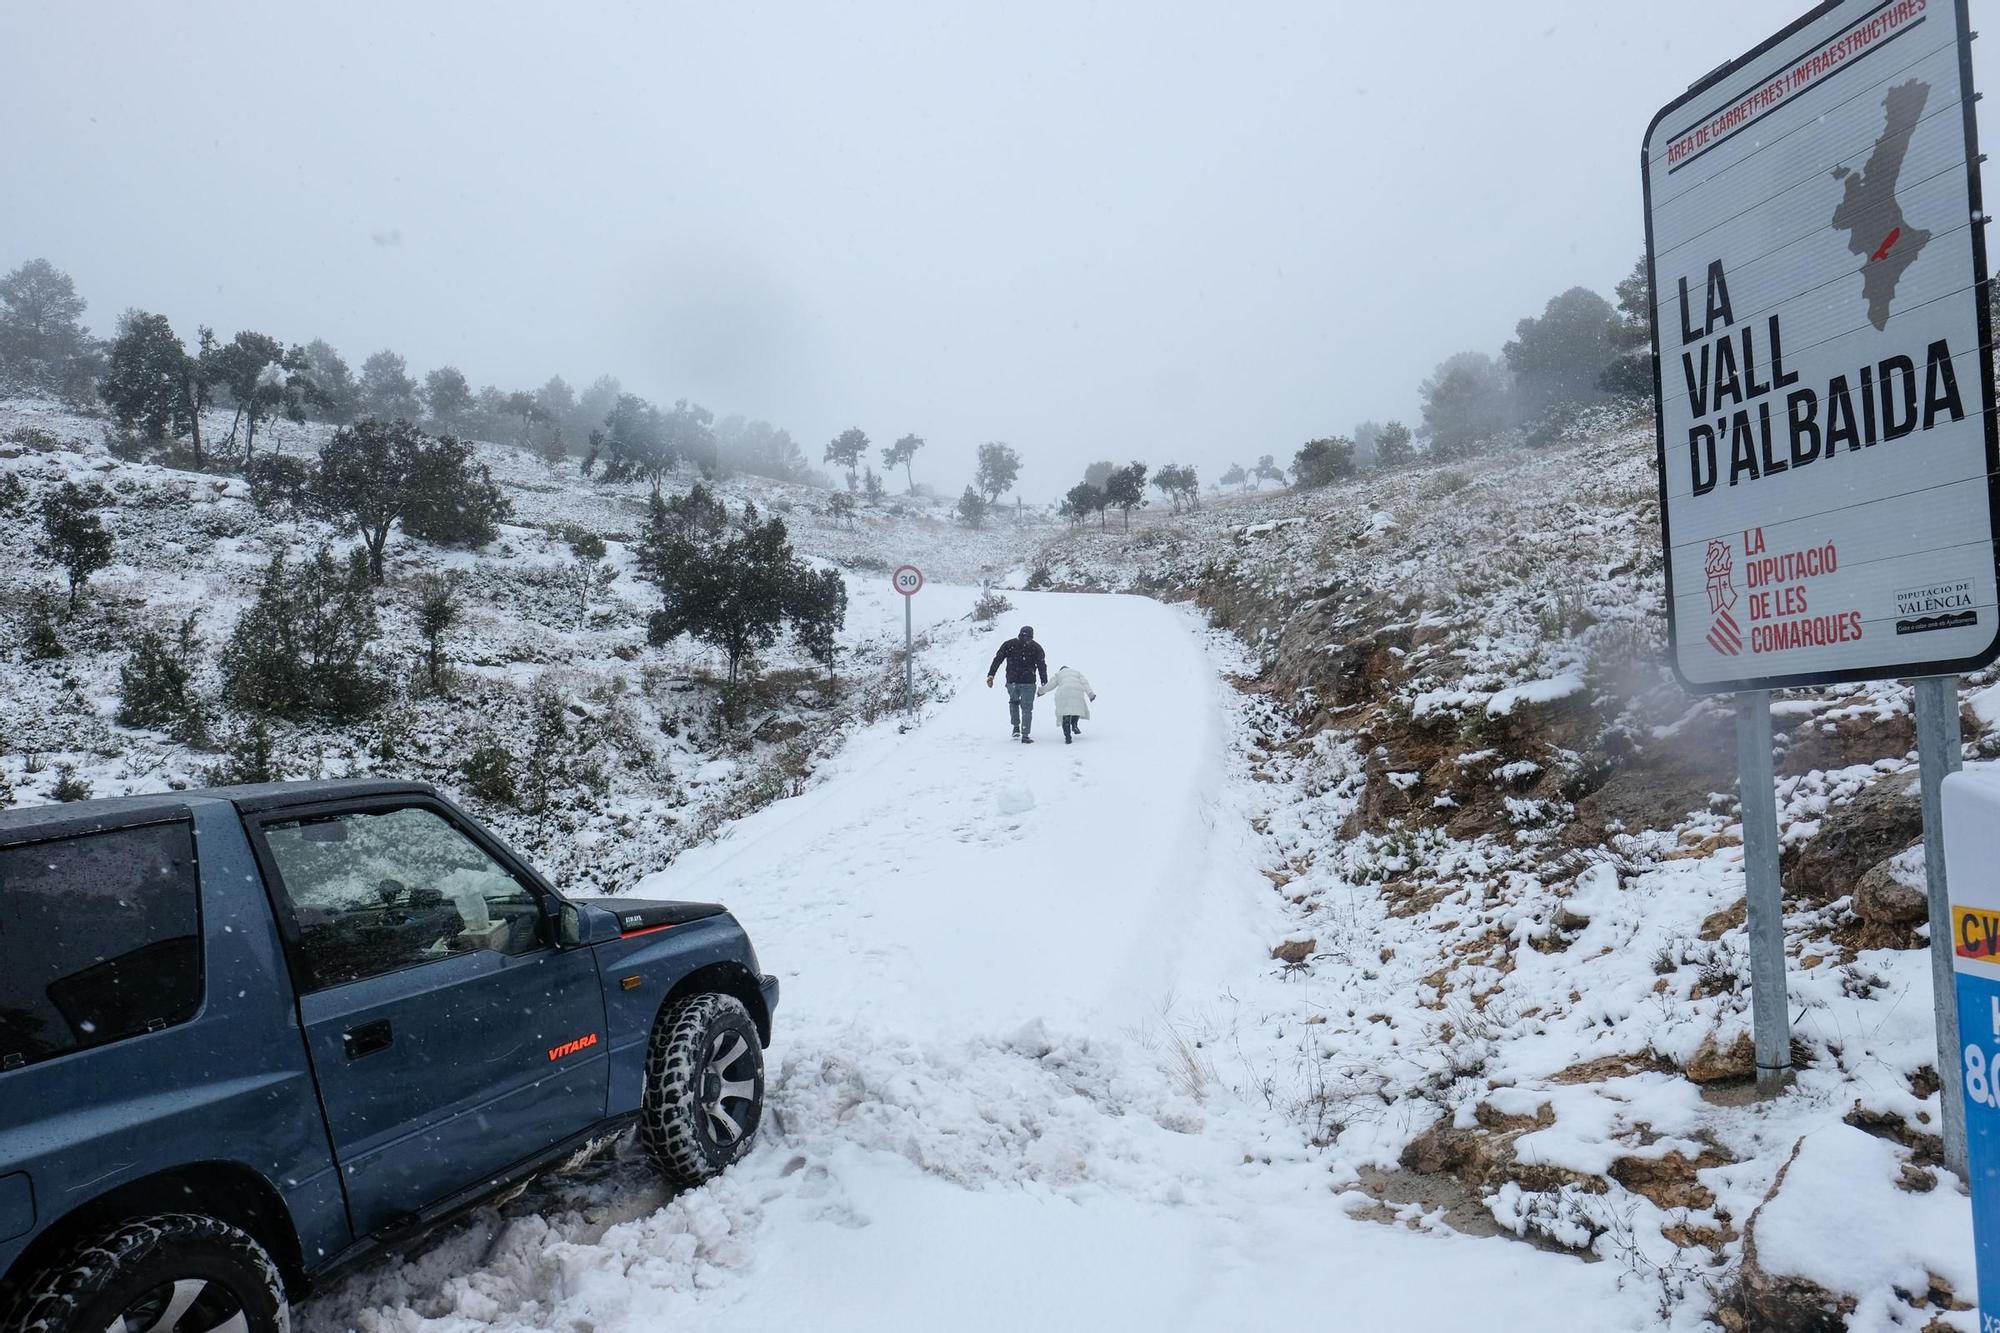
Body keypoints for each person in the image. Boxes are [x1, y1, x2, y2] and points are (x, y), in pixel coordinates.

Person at [985, 624, 1047, 743]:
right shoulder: (1036, 647)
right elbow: (1041, 666)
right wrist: (1044, 682)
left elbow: (997, 659)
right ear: (1032, 636)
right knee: (1027, 708)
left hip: (1012, 681)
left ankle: (1016, 727)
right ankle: (1025, 734)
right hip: (1028, 682)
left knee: (1014, 703)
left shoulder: (1009, 644)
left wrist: (991, 675)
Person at [1038, 665, 1095, 744]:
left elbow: (1050, 685)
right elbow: (1085, 683)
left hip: (1063, 693)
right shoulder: (1077, 673)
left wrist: (1041, 691)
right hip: (1077, 692)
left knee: (1066, 715)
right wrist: (1090, 694)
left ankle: (1068, 737)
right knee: (1076, 709)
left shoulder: (1059, 674)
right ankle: (1074, 724)